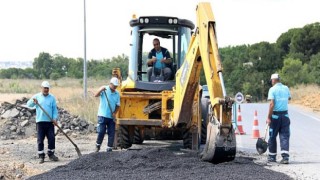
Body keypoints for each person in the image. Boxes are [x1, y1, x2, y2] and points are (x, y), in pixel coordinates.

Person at [27, 81, 59, 164]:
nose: (46, 90)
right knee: (40, 140)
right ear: (41, 88)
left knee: (51, 138)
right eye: (45, 88)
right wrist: (33, 102)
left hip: (50, 122)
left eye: (47, 88)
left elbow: (55, 110)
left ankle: (51, 154)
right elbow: (29, 104)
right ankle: (41, 156)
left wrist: (55, 119)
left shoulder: (52, 98)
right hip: (40, 122)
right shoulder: (37, 97)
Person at [266, 73, 291, 164]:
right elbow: (289, 98)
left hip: (275, 116)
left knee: (272, 136)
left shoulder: (272, 89)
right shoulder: (286, 88)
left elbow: (272, 104)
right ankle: (285, 158)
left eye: (271, 80)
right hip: (285, 116)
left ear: (273, 80)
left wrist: (269, 117)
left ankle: (272, 157)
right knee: (284, 136)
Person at [95, 77, 120, 152]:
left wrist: (114, 113)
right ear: (110, 84)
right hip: (102, 115)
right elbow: (96, 95)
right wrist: (100, 90)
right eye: (114, 85)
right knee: (101, 131)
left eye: (116, 86)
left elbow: (118, 105)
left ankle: (109, 148)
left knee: (111, 133)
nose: (115, 87)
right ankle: (98, 145)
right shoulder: (104, 89)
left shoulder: (117, 93)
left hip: (111, 117)